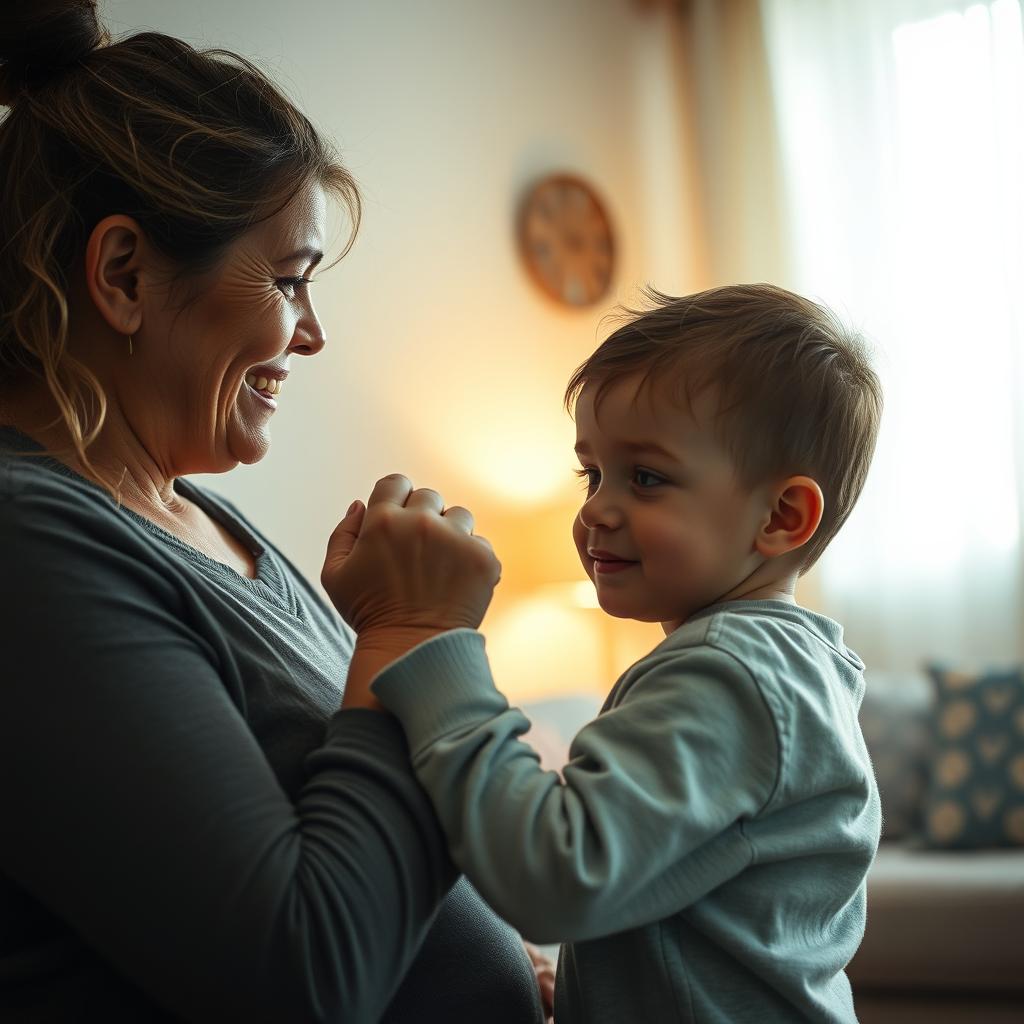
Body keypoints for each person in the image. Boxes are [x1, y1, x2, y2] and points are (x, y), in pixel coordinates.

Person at [0, 3, 549, 1021]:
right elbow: (300, 980)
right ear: (124, 275)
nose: (313, 336)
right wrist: (408, 632)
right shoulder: (28, 545)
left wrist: (497, 956)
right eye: (291, 280)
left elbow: (352, 826)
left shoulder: (201, 522)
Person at [325, 283, 886, 1023]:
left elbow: (556, 876)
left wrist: (435, 645)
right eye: (593, 472)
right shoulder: (789, 664)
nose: (595, 508)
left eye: (646, 477)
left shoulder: (730, 673)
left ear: (782, 518)